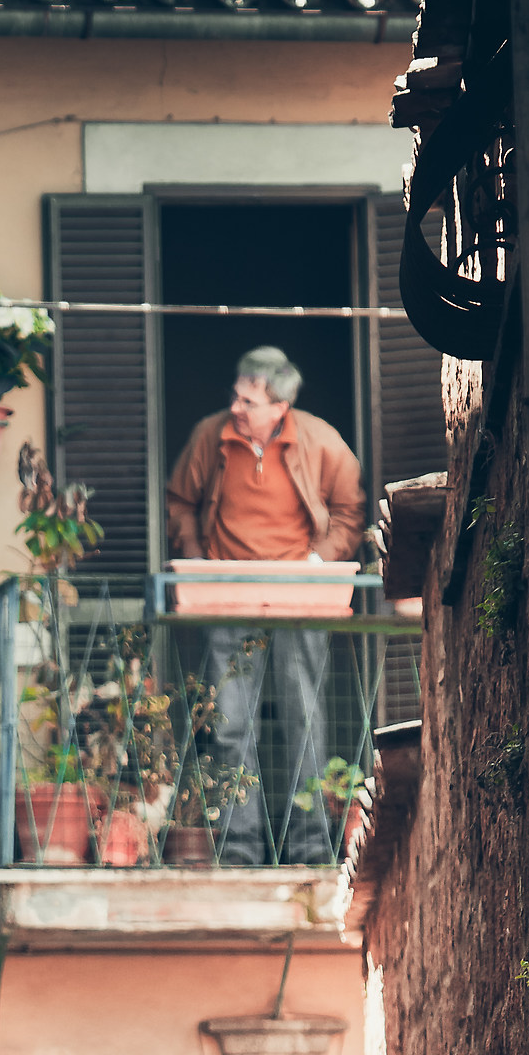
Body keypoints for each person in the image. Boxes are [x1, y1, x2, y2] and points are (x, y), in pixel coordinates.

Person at [164, 347, 366, 864]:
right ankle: (238, 847)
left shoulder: (320, 440)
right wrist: (195, 556)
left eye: (248, 400)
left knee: (307, 721)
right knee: (230, 725)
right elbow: (181, 501)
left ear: (280, 406)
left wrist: (321, 560)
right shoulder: (212, 437)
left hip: (299, 597)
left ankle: (311, 845)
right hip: (227, 597)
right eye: (236, 395)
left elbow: (349, 510)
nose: (236, 406)